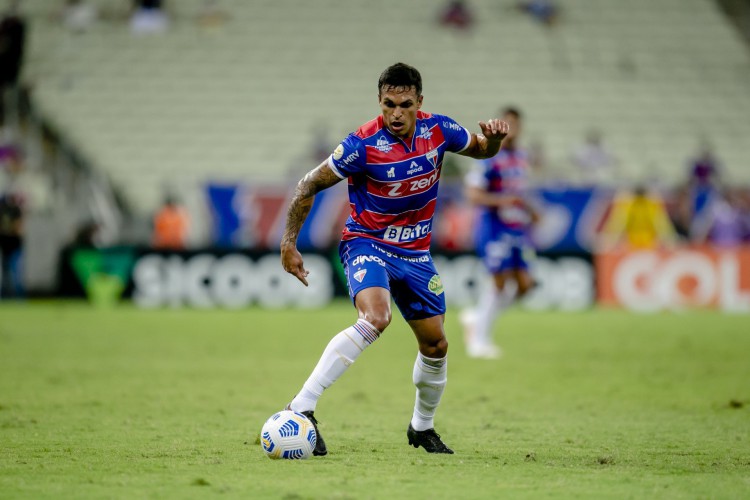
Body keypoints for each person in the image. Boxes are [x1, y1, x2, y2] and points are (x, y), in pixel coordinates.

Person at [279, 62, 509, 456]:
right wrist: (289, 243)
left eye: (405, 104)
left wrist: (495, 141)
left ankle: (422, 427)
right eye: (389, 104)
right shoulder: (361, 145)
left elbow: (483, 152)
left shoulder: (440, 130)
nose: (396, 113)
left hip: (416, 254)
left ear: (420, 102)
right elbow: (308, 185)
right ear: (380, 102)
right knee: (375, 317)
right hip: (366, 242)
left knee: (436, 345)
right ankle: (301, 407)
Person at [460, 107, 539, 359]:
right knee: (499, 283)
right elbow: (473, 195)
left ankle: (476, 317)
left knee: (525, 286)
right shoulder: (489, 156)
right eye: (508, 123)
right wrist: (503, 201)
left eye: (516, 123)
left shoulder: (521, 157)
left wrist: (530, 210)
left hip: (518, 230)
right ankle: (479, 341)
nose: (512, 128)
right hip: (493, 228)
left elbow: (519, 193)